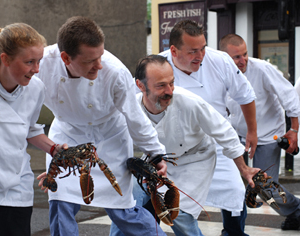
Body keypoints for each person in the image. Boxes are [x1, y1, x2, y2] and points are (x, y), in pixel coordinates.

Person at [35, 16, 168, 236]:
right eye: (90, 61)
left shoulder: (115, 72)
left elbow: (134, 118)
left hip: (110, 138)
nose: (99, 65)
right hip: (66, 138)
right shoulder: (41, 64)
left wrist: (155, 154)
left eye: (101, 56)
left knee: (123, 212)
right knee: (60, 204)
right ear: (65, 57)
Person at [110, 55, 264, 236]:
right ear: (140, 85)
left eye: (172, 83)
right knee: (126, 203)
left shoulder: (189, 102)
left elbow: (224, 132)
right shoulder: (130, 108)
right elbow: (113, 138)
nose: (169, 91)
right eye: (161, 85)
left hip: (194, 158)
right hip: (155, 161)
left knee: (179, 214)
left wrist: (244, 169)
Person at [0, 23, 68, 236]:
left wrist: (55, 150)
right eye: (29, 62)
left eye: (39, 62)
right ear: (5, 59)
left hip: (11, 181)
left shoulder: (35, 89)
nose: (36, 69)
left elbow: (32, 130)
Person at [159, 20, 258, 236]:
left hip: (216, 140)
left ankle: (233, 233)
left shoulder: (220, 60)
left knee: (235, 190)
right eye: (193, 51)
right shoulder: (157, 66)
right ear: (173, 50)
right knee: (173, 200)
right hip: (174, 148)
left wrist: (252, 131)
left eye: (203, 48)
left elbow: (245, 95)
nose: (200, 55)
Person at [220, 33, 300, 231]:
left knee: (266, 188)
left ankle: (296, 210)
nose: (243, 60)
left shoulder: (262, 69)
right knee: (232, 186)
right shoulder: (220, 73)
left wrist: (294, 130)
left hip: (267, 136)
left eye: (244, 54)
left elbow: (289, 96)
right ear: (224, 58)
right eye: (236, 57)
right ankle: (234, 230)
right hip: (237, 137)